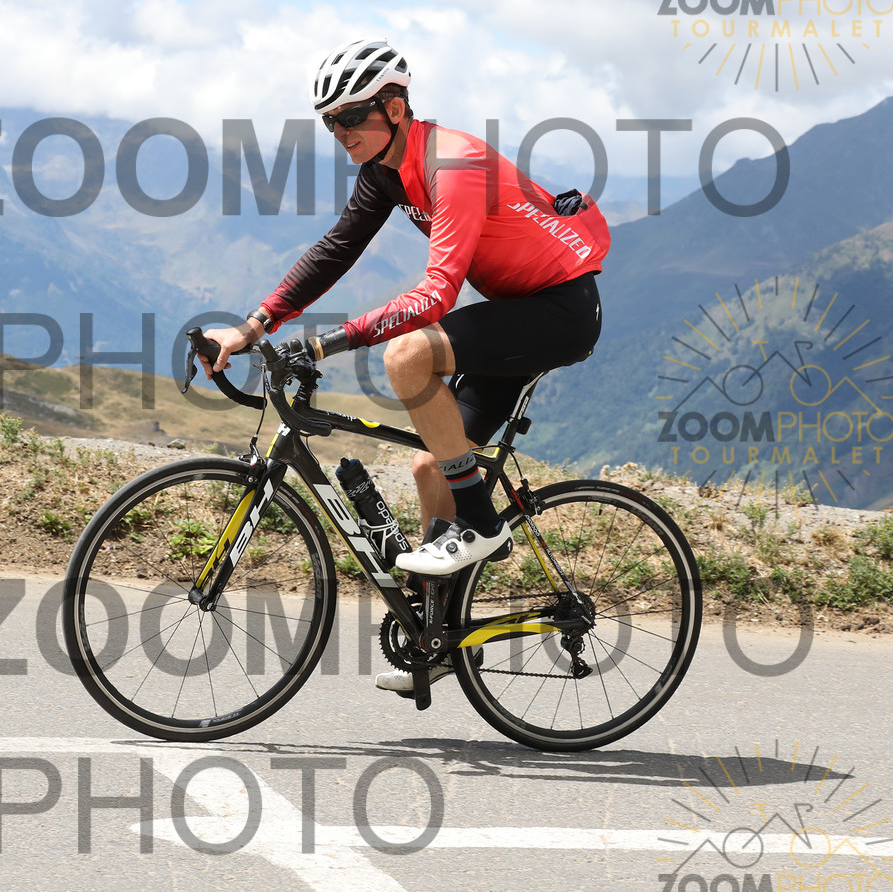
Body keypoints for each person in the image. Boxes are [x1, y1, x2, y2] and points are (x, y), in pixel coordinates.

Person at [201, 37, 609, 693]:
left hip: (559, 310)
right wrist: (253, 326)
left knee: (408, 354)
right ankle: (438, 639)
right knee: (432, 466)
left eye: (350, 116)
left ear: (394, 108)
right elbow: (336, 249)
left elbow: (437, 294)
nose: (340, 132)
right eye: (330, 122)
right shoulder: (386, 171)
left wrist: (331, 342)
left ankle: (482, 527)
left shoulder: (454, 162)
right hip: (516, 310)